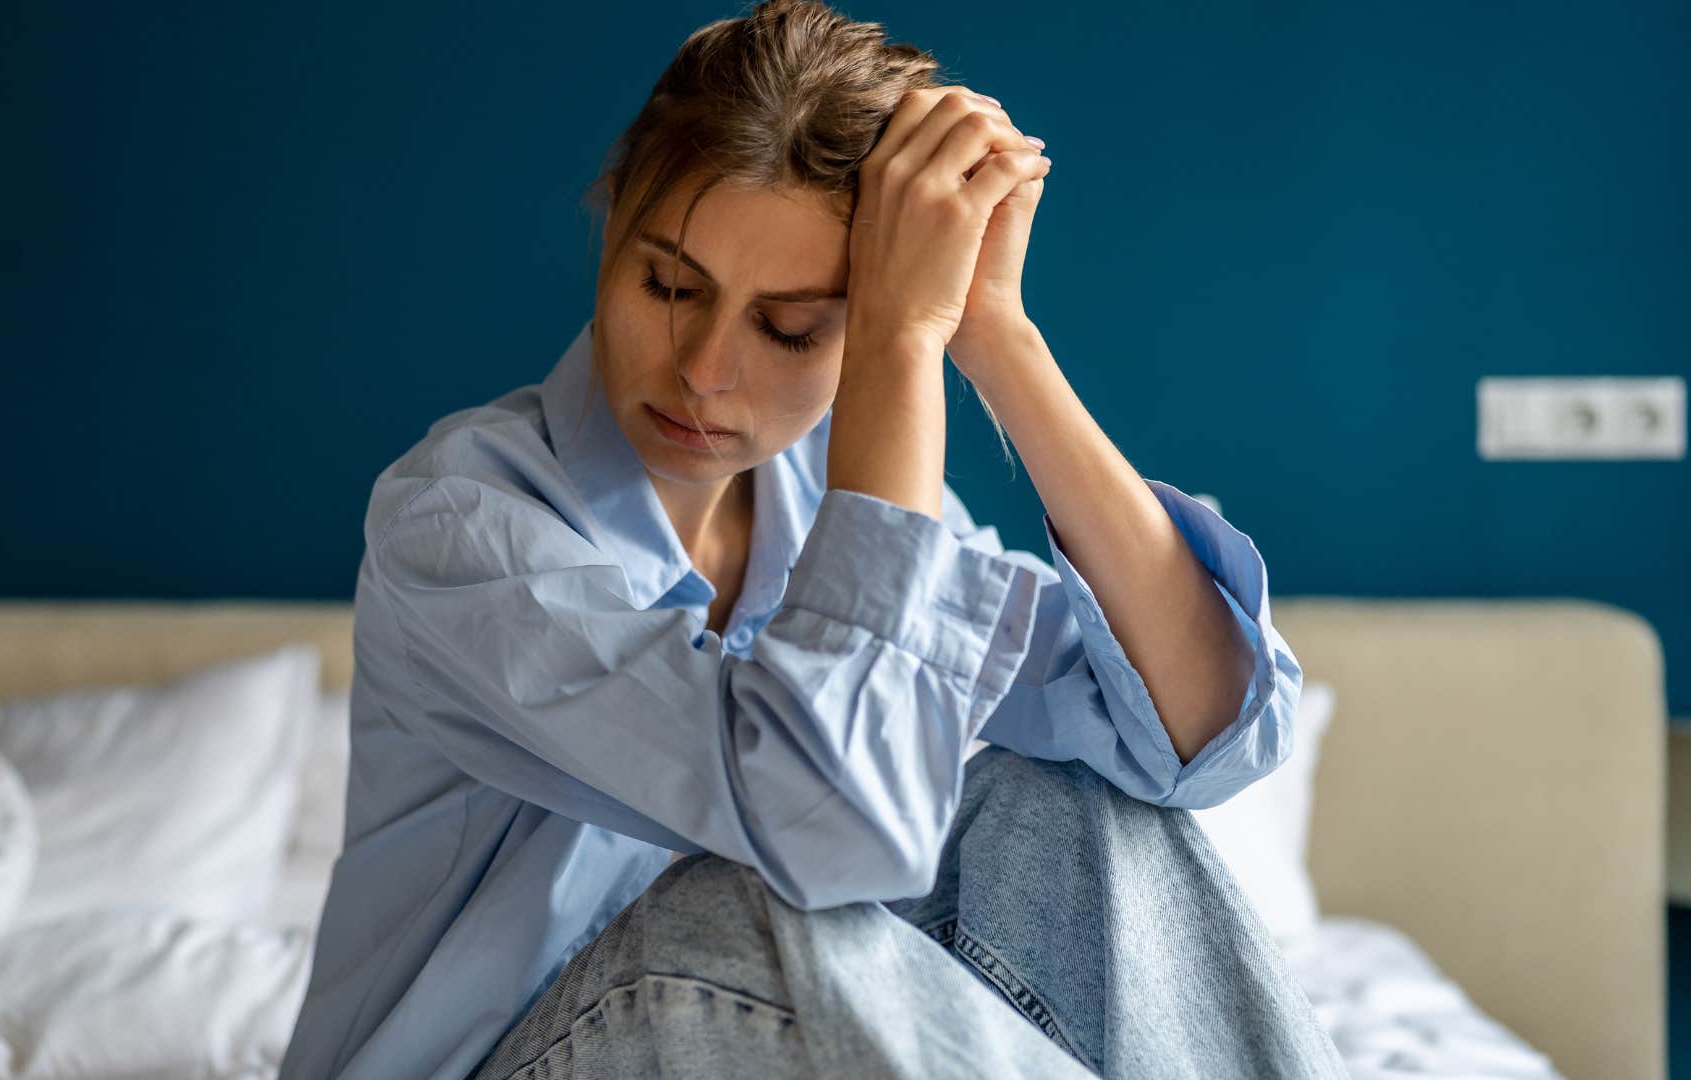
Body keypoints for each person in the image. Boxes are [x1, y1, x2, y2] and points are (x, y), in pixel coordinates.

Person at [278, 2, 1347, 1077]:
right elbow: (834, 826)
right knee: (755, 904)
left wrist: (992, 333)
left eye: (790, 328)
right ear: (611, 228)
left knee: (1069, 804)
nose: (702, 368)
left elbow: (1201, 727)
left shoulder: (826, 518)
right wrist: (894, 347)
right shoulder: (461, 525)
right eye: (668, 284)